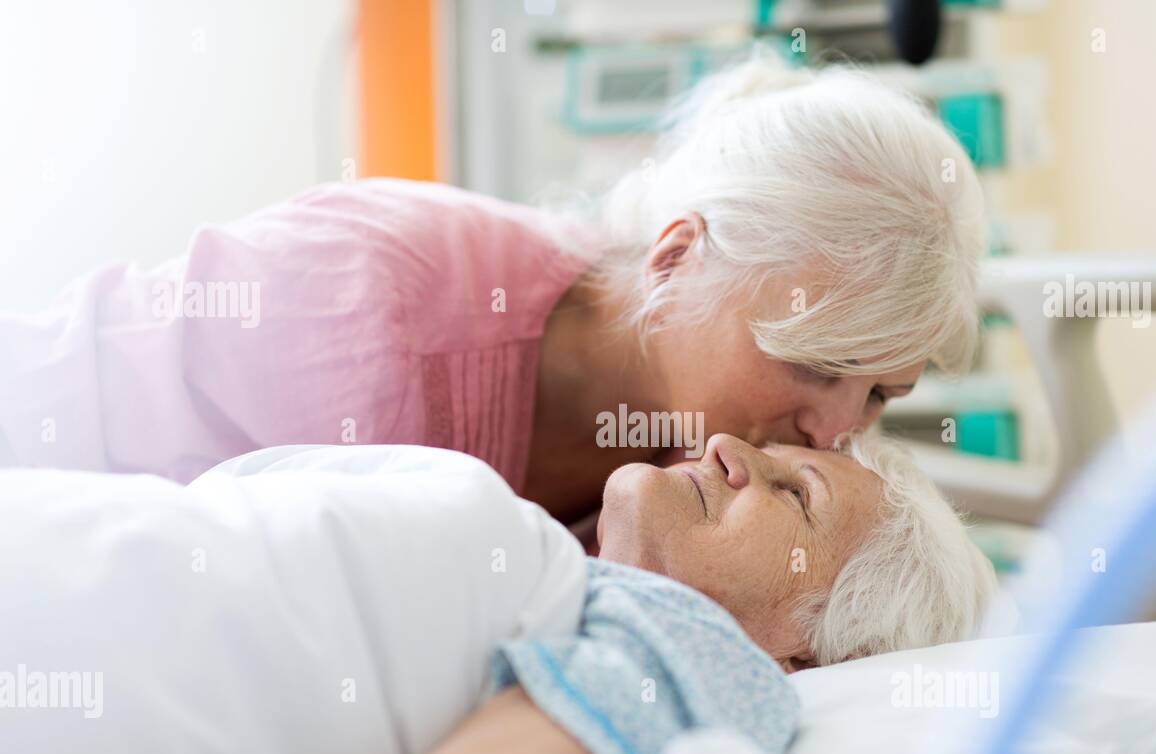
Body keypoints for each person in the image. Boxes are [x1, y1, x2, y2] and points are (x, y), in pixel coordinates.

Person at [0, 52, 984, 536]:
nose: (835, 430)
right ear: (675, 259)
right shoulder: (367, 314)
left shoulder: (701, 479)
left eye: (879, 394)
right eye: (815, 365)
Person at [3, 431, 994, 754]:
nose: (734, 447)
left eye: (790, 495)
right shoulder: (552, 570)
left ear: (800, 655)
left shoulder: (697, 649)